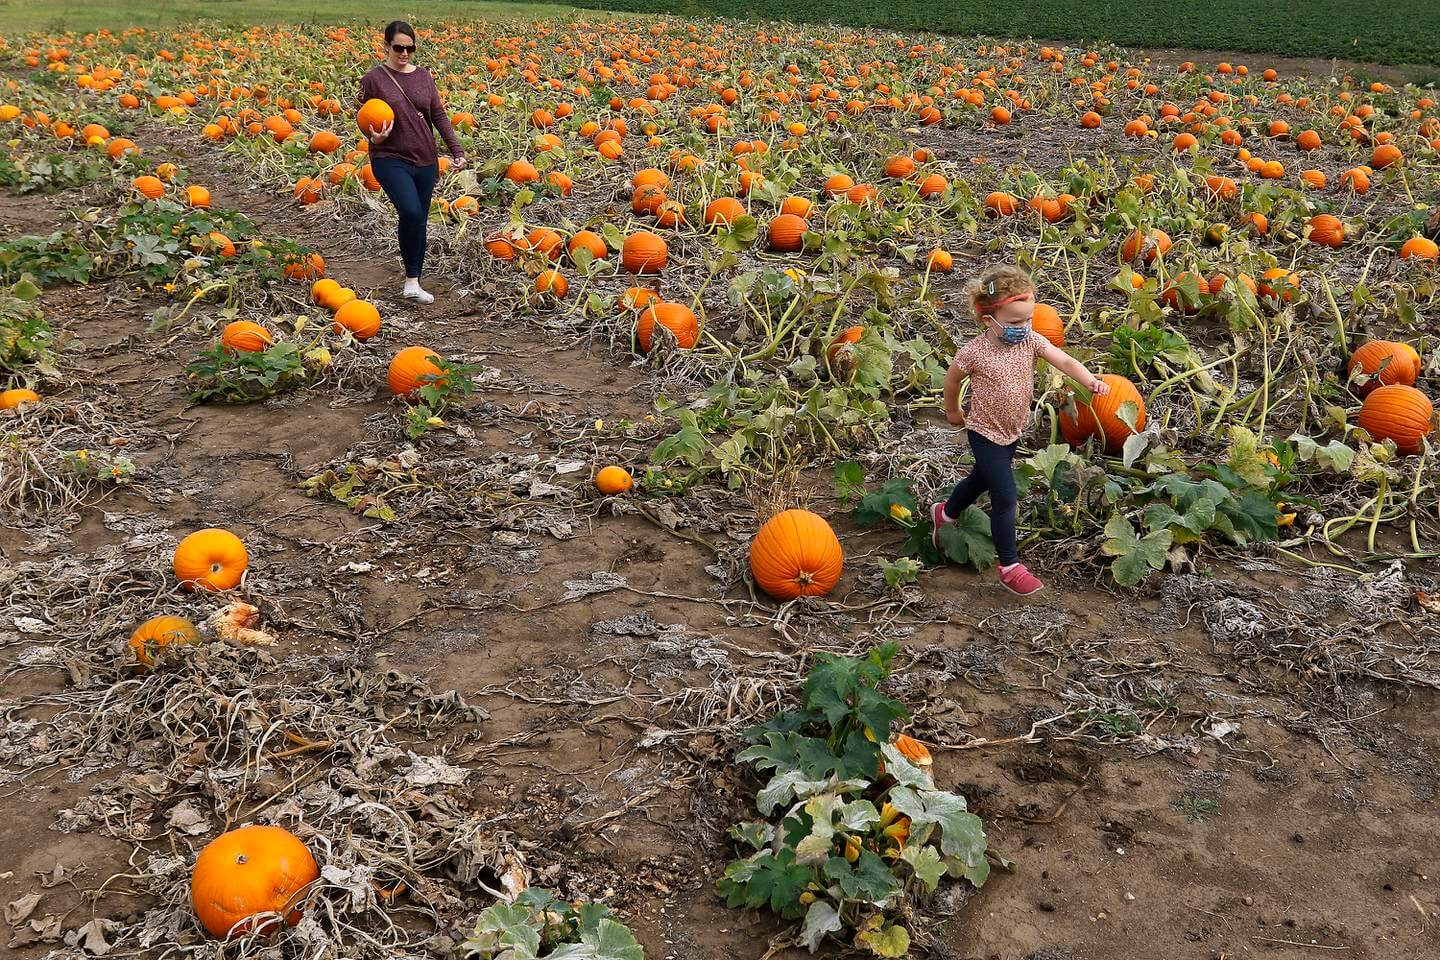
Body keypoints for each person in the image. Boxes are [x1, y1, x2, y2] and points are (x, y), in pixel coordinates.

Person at [933, 265, 1109, 596]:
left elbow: (1066, 361)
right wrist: (953, 410)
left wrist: (1090, 381)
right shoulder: (975, 352)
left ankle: (945, 513)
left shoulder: (1030, 341)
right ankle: (1010, 566)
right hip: (984, 432)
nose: (1023, 328)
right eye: (1014, 322)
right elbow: (953, 380)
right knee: (1005, 496)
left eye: (1027, 320)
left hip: (1013, 430)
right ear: (989, 320)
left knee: (978, 481)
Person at [357, 20, 465, 304]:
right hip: (389, 157)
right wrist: (374, 139)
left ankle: (413, 281)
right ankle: (411, 281)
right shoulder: (374, 79)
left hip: (425, 158)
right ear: (386, 46)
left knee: (418, 220)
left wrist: (456, 150)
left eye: (410, 48)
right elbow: (365, 117)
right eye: (398, 48)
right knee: (412, 211)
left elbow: (438, 115)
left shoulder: (424, 77)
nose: (404, 53)